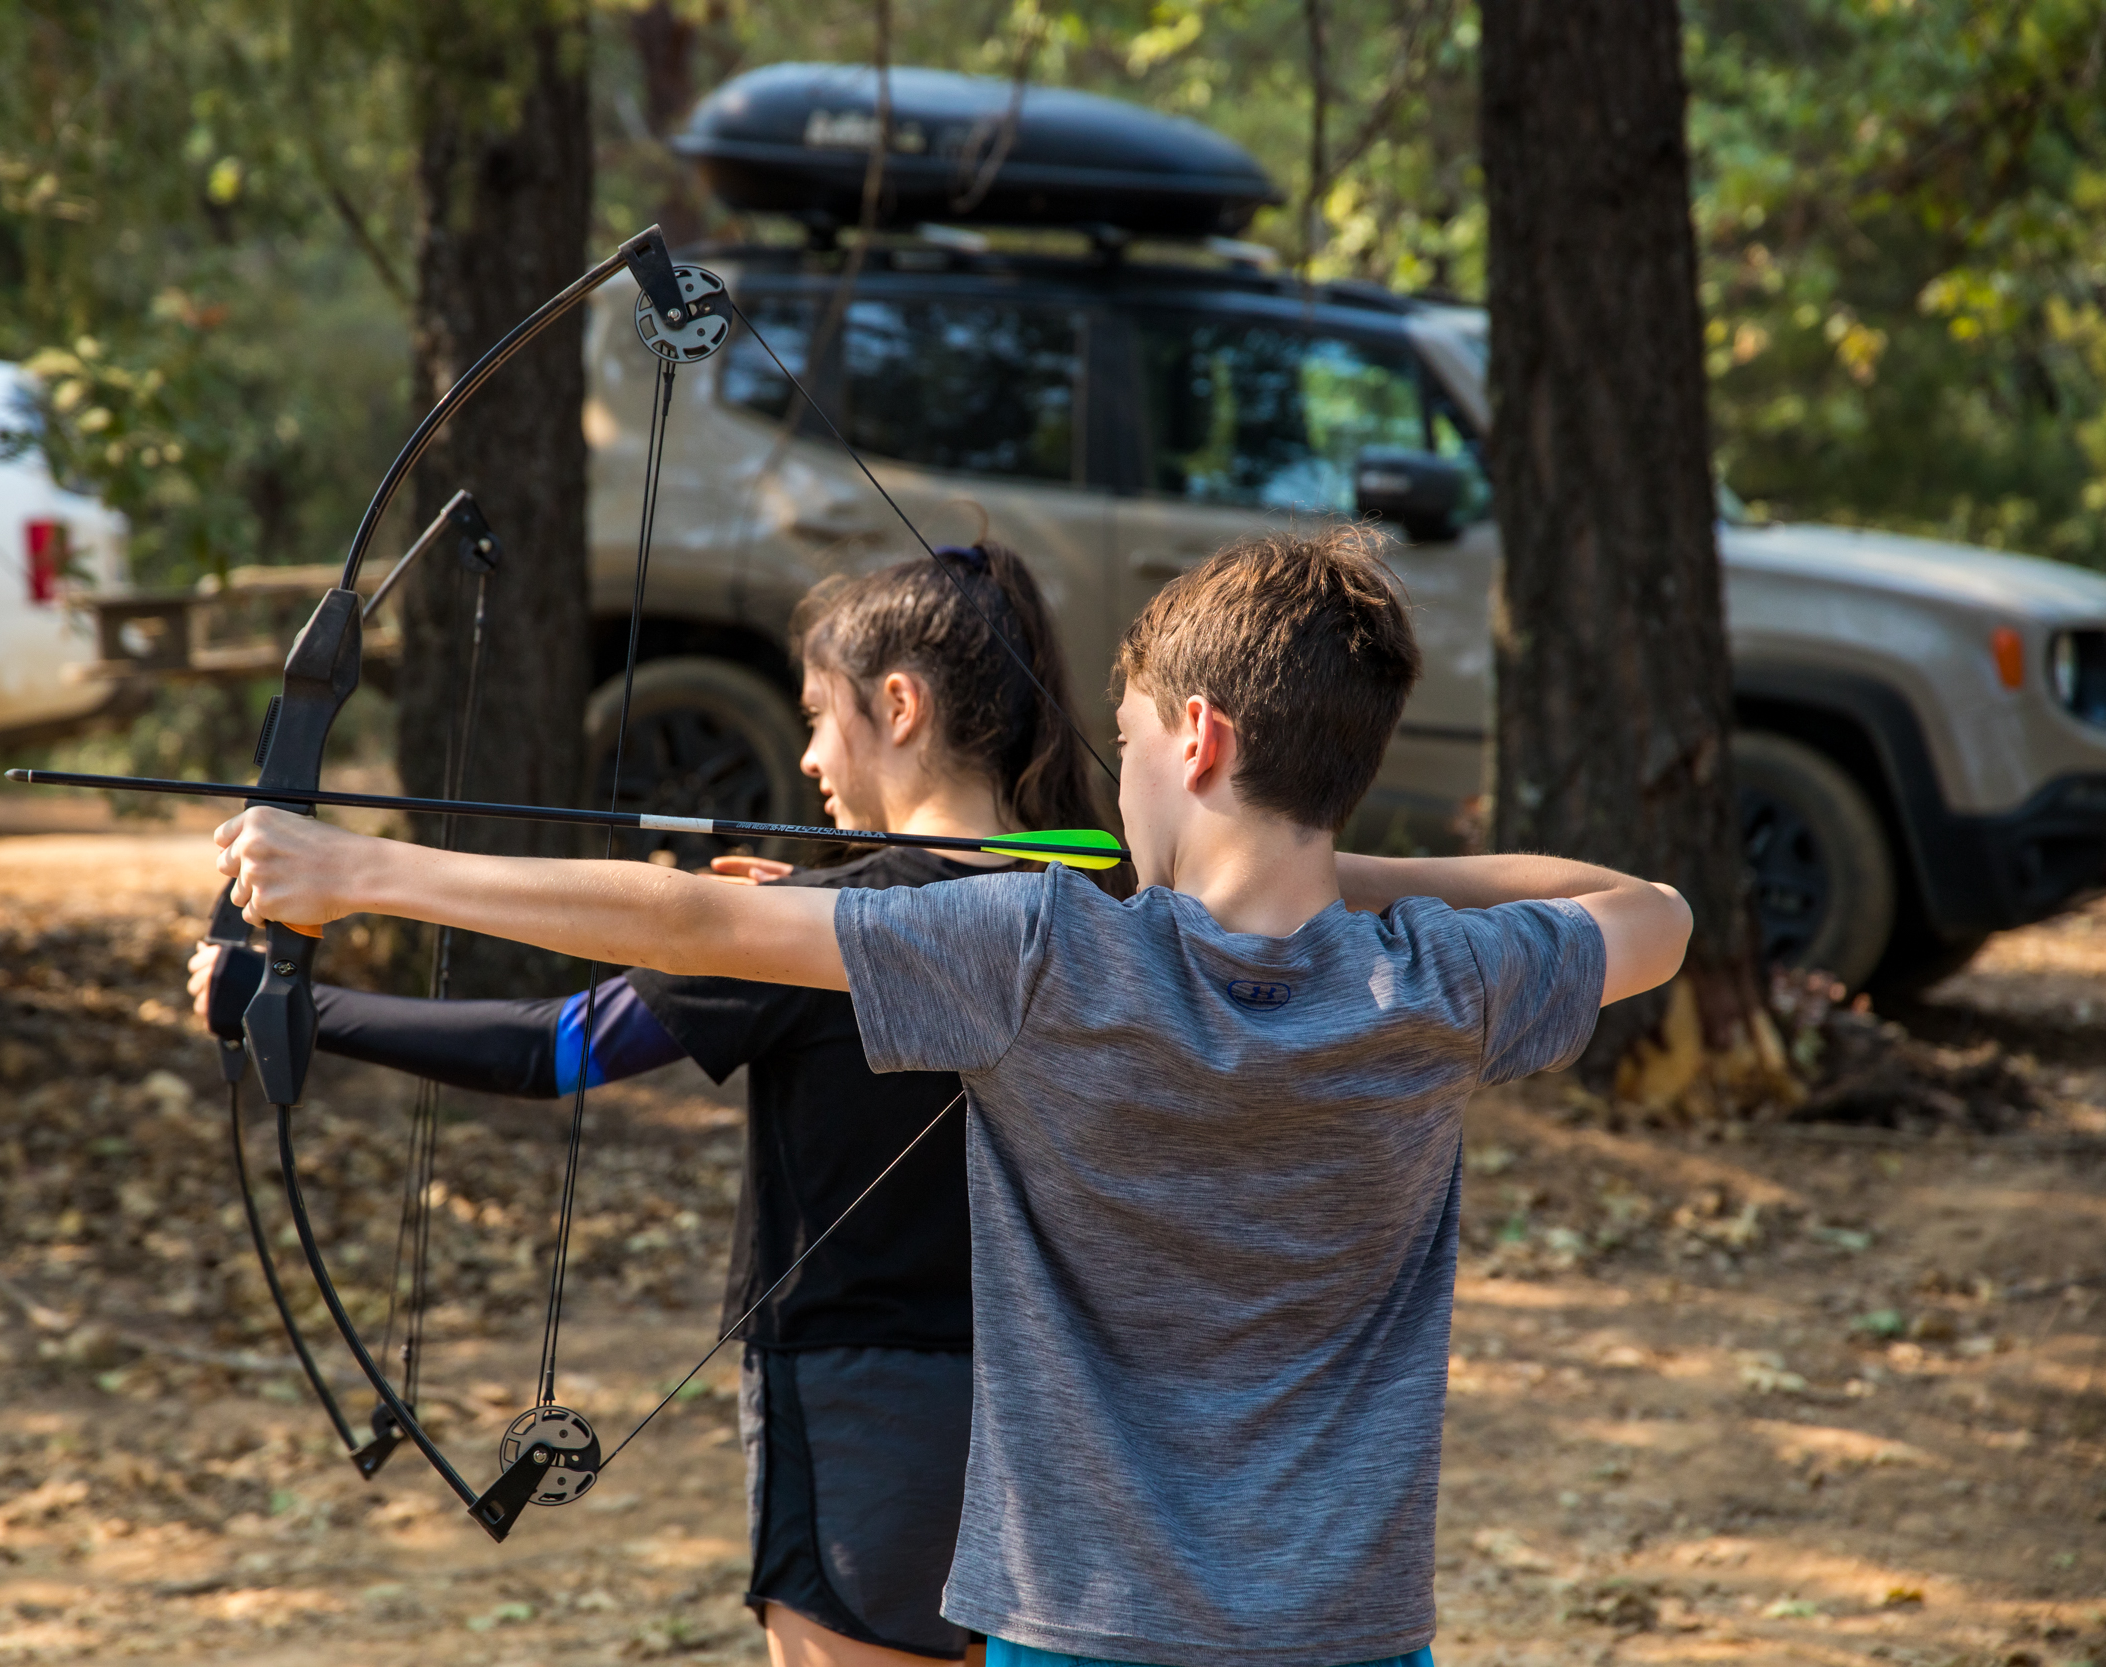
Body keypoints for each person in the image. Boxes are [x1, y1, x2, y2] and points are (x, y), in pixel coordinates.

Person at [211, 523, 1695, 1667]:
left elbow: (707, 930)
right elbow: (1652, 908)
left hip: (1084, 1623)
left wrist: (361, 870)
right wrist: (1311, 871)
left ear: (1198, 739)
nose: (1109, 797)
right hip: (1358, 1630)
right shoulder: (1444, 981)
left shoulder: (1047, 952)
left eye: (1123, 756)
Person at [192, 543, 1119, 1667]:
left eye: (821, 716)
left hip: (861, 1411)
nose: (808, 755)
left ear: (900, 704)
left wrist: (285, 1002)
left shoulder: (817, 936)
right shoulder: (1089, 897)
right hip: (1060, 1416)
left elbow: (557, 1049)